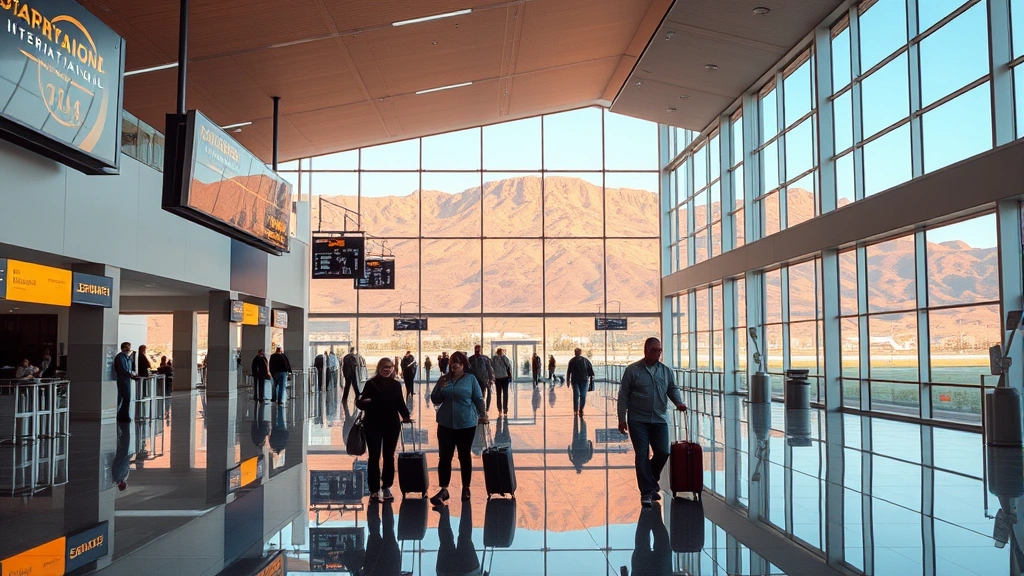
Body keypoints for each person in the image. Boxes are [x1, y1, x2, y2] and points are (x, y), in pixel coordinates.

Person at [617, 337, 687, 507]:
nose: (657, 354)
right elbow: (623, 395)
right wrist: (621, 418)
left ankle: (651, 481)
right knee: (642, 455)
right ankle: (646, 492)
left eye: (659, 351)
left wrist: (678, 402)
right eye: (654, 350)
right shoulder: (632, 370)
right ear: (646, 350)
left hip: (660, 418)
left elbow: (672, 388)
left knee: (663, 451)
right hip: (637, 420)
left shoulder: (665, 371)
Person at [429, 351, 486, 506]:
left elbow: (478, 399)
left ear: (464, 365)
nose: (456, 365)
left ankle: (466, 487)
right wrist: (440, 388)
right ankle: (444, 489)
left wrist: (483, 414)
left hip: (466, 423)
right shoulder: (444, 379)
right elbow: (435, 399)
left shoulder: (471, 379)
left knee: (464, 456)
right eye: (453, 362)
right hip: (445, 423)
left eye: (459, 362)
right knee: (445, 457)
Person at [356, 358, 412, 502]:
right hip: (373, 425)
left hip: (391, 425)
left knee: (389, 456)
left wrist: (406, 416)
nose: (387, 370)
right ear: (379, 368)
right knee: (374, 457)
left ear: (393, 368)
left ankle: (386, 486)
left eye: (390, 367)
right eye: (384, 367)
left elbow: (400, 402)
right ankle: (374, 489)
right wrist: (365, 402)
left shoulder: (395, 385)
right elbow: (361, 403)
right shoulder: (370, 384)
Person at [435, 501, 480, 575]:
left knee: (465, 537)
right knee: (446, 541)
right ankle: (443, 510)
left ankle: (466, 499)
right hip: (446, 572)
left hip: (469, 571)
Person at [362, 501, 402, 576]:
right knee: (375, 530)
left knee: (388, 530)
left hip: (390, 565)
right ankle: (374, 497)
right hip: (374, 566)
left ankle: (385, 498)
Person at [631, 506, 671, 576]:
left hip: (660, 570)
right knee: (642, 539)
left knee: (662, 543)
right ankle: (648, 507)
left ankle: (652, 507)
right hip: (642, 570)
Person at [566, 347, 595, 416]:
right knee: (578, 395)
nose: (577, 353)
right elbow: (569, 371)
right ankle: (577, 409)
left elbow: (590, 371)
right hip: (578, 380)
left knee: (582, 395)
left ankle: (580, 409)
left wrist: (568, 380)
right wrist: (568, 380)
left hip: (582, 380)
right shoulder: (576, 361)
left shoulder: (578, 361)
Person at [467, 344, 494, 413]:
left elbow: (489, 368)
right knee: (477, 394)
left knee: (484, 393)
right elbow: (469, 369)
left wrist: (491, 378)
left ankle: (485, 409)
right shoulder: (471, 359)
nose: (477, 351)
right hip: (475, 379)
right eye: (476, 349)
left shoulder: (485, 358)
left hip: (484, 379)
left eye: (479, 349)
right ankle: (478, 408)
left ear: (481, 350)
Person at [114, 342, 135, 422]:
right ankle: (121, 416)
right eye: (126, 347)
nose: (128, 349)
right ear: (122, 348)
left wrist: (132, 375)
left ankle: (125, 415)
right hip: (123, 380)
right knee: (123, 397)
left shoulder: (127, 357)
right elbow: (122, 369)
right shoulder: (120, 357)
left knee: (127, 398)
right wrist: (130, 375)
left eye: (129, 347)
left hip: (127, 379)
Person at [491, 348, 513, 415]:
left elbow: (492, 367)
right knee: (505, 393)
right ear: (502, 352)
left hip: (497, 378)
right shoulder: (504, 358)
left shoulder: (494, 359)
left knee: (498, 394)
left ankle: (499, 408)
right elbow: (509, 365)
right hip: (504, 377)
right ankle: (505, 409)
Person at [113, 421, 132, 491]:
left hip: (122, 456)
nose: (126, 483)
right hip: (123, 456)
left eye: (125, 484)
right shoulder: (122, 477)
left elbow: (118, 465)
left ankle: (122, 424)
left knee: (124, 439)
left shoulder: (118, 477)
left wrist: (125, 458)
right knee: (124, 439)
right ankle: (123, 424)